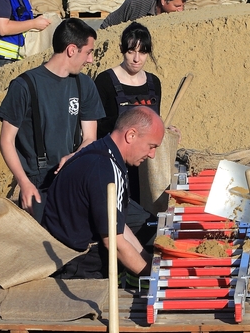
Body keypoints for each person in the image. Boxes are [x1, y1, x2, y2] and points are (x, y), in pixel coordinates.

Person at [0, 18, 103, 221]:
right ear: (72, 50)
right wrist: (24, 183)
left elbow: (90, 137)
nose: (90, 60)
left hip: (74, 174)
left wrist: (74, 156)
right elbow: (6, 141)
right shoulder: (25, 85)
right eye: (88, 52)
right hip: (38, 182)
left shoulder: (85, 85)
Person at [40, 107, 165, 279]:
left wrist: (148, 261)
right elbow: (115, 243)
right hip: (77, 267)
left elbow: (117, 226)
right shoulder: (106, 170)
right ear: (131, 135)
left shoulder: (101, 152)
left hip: (67, 255)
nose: (152, 155)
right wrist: (157, 277)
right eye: (151, 146)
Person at [95, 21, 164, 205]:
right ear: (121, 50)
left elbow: (156, 120)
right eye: (131, 51)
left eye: (142, 52)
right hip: (115, 162)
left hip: (146, 166)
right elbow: (97, 126)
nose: (136, 58)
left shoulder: (153, 83)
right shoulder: (105, 81)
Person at [99, 0, 189, 30]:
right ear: (164, 0)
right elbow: (107, 25)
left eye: (182, 6)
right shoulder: (135, 3)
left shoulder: (179, 19)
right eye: (177, 6)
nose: (180, 10)